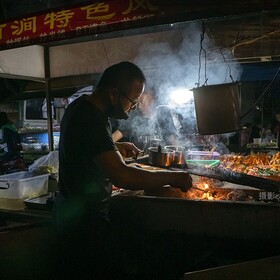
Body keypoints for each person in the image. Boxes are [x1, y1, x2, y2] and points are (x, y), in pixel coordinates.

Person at [53, 61, 193, 279]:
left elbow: (84, 147)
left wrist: (114, 146)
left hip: (72, 214)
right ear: (113, 94)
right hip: (85, 224)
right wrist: (172, 177)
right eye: (132, 101)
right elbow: (122, 175)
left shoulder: (80, 107)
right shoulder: (92, 119)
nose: (133, 108)